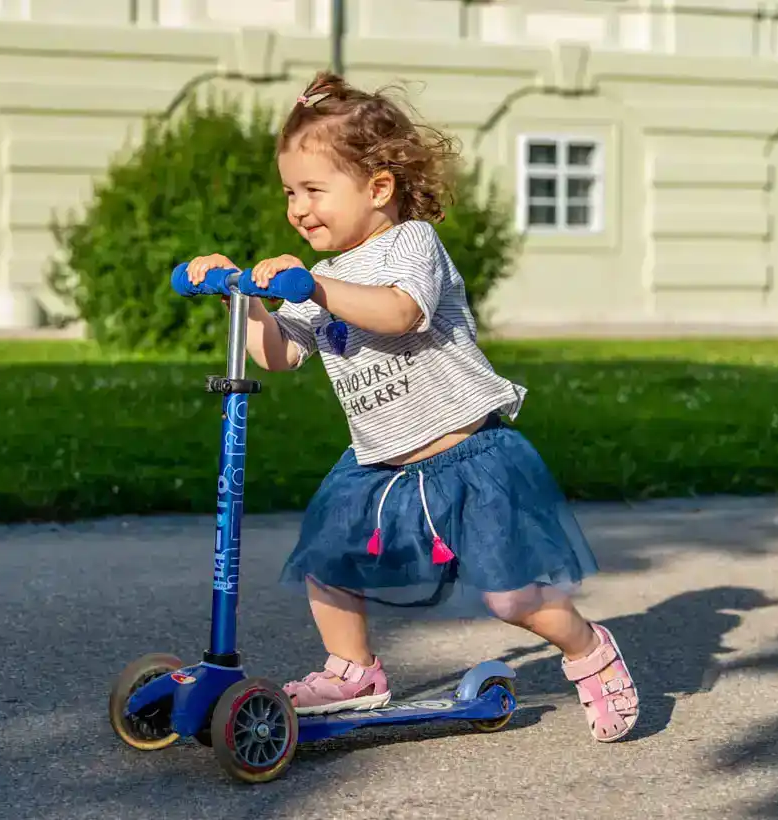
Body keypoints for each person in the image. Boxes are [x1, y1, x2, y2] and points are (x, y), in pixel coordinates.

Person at [184, 71, 639, 743]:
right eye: (289, 193)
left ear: (378, 188)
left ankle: (586, 647)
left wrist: (317, 288)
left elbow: (399, 314)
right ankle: (354, 669)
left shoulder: (410, 244)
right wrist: (243, 300)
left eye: (314, 190)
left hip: (465, 453)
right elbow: (279, 354)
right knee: (326, 560)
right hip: (378, 461)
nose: (298, 208)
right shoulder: (320, 280)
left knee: (512, 597)